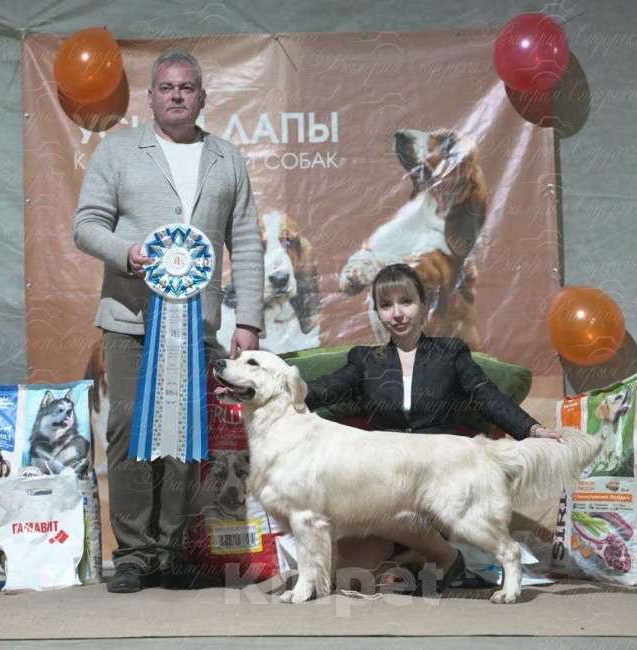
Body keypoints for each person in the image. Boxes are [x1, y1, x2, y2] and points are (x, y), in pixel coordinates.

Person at [73, 51, 264, 593]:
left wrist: (247, 319)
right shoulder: (117, 150)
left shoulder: (226, 158)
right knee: (128, 426)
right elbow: (85, 225)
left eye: (187, 87)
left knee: (187, 436)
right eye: (165, 87)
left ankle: (173, 551)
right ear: (150, 97)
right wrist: (128, 253)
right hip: (130, 319)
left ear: (203, 97)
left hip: (197, 325)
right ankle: (133, 554)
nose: (176, 95)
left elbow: (246, 241)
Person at [304, 263, 560, 591]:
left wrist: (533, 430)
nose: (397, 313)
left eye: (406, 301)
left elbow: (487, 397)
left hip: (438, 483)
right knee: (353, 577)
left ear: (424, 305)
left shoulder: (450, 354)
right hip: (383, 478)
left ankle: (442, 557)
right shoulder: (365, 361)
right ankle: (424, 560)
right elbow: (324, 389)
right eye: (386, 305)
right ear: (377, 312)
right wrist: (274, 384)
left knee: (400, 513)